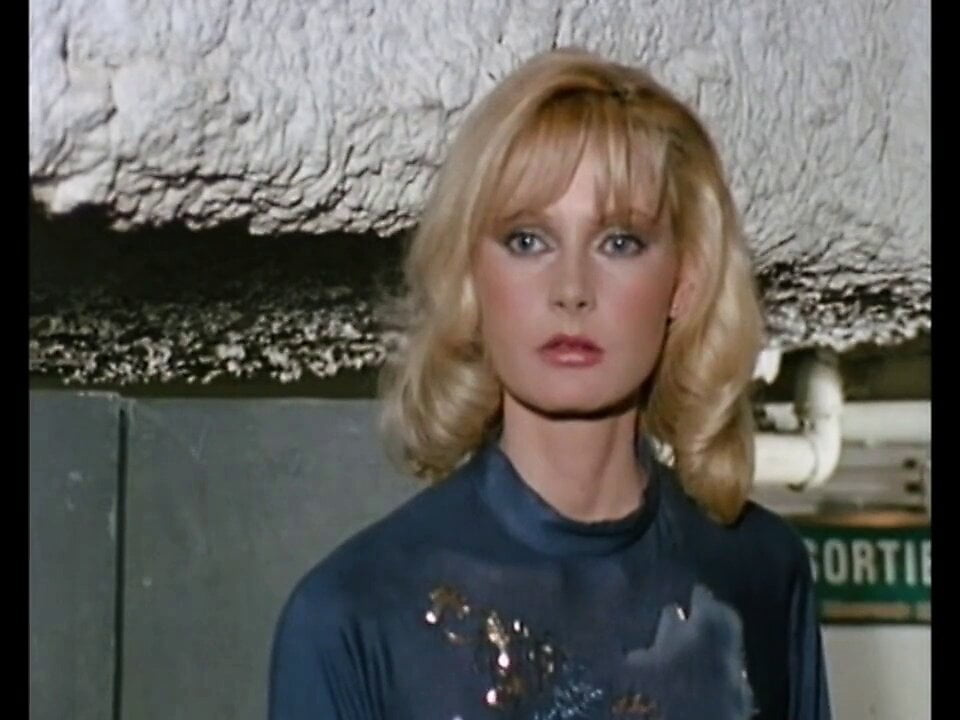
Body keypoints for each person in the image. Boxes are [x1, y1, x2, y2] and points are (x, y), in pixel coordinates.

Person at [268, 47, 832, 720]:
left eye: (619, 242)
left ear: (684, 281)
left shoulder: (762, 574)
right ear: (471, 275)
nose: (571, 290)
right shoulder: (352, 615)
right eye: (527, 241)